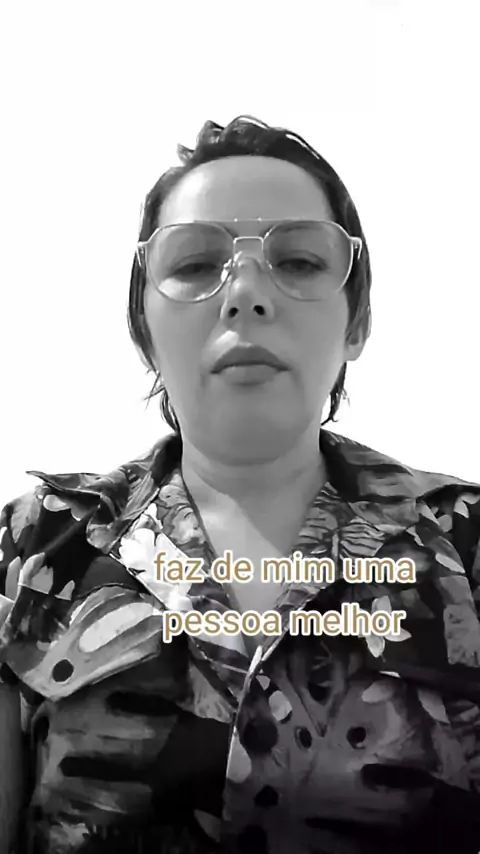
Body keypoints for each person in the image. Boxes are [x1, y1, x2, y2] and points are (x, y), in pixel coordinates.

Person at [1, 115, 480, 854]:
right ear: (143, 330)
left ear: (356, 324)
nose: (246, 293)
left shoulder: (465, 542)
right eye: (196, 264)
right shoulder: (31, 551)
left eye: (299, 261)